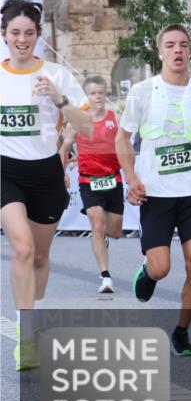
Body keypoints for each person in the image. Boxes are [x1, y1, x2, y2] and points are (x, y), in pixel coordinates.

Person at [116, 24, 191, 356]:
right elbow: (122, 138)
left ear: (189, 52)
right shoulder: (142, 92)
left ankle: (181, 330)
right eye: (170, 45)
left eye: (183, 45)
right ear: (160, 52)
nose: (177, 50)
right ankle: (149, 272)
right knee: (162, 267)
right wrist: (130, 175)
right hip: (155, 192)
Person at [1, 0, 92, 371]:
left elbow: (87, 127)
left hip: (47, 174)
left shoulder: (56, 74)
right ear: (4, 36)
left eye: (29, 33)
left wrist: (60, 99)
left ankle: (32, 312)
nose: (22, 39)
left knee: (39, 256)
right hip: (6, 171)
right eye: (15, 33)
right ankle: (26, 338)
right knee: (21, 248)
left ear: (38, 36)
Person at [59, 75, 124, 295]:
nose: (97, 97)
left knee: (114, 231)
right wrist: (62, 172)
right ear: (86, 96)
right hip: (89, 180)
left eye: (101, 92)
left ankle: (103, 237)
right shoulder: (77, 122)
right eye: (93, 93)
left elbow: (125, 146)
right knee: (97, 226)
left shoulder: (115, 117)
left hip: (113, 179)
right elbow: (65, 148)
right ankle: (105, 277)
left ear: (106, 93)